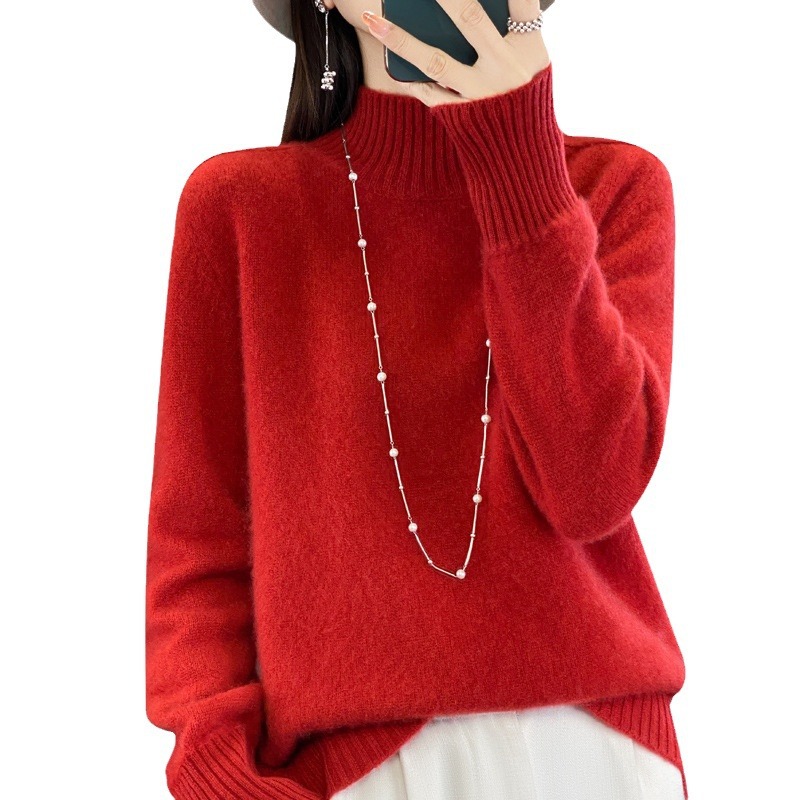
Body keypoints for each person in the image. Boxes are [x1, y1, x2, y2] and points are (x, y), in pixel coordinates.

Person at [144, 1, 690, 798]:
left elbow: (591, 489)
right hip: (360, 769)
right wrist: (216, 769)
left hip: (595, 752)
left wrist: (521, 161)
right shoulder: (242, 208)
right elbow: (198, 540)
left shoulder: (611, 187)